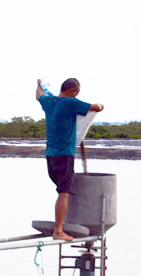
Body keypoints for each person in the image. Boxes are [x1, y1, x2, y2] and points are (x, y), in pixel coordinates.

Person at [36, 78, 104, 241]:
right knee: (64, 193)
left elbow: (38, 96)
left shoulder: (48, 101)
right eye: (76, 93)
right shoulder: (70, 102)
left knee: (62, 191)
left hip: (50, 155)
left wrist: (39, 84)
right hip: (64, 154)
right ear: (71, 91)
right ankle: (58, 230)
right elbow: (96, 107)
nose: (76, 96)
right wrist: (101, 106)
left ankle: (61, 225)